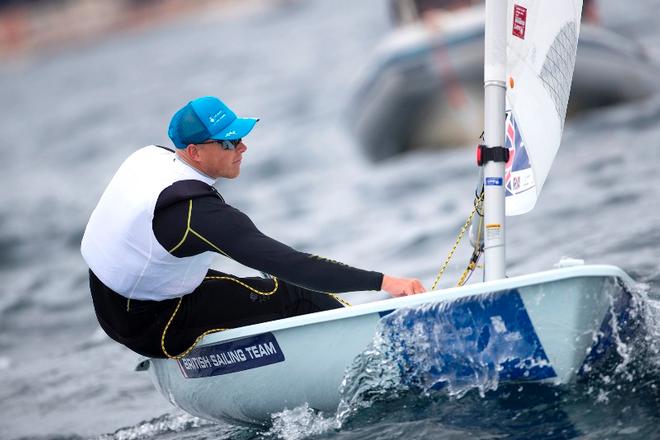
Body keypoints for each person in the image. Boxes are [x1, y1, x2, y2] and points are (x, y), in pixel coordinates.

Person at [81, 96, 426, 359]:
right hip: (151, 324)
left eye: (241, 136)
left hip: (115, 300)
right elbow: (292, 265)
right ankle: (377, 357)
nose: (243, 147)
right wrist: (384, 282)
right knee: (293, 293)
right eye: (229, 142)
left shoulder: (150, 158)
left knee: (263, 292)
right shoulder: (196, 215)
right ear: (194, 152)